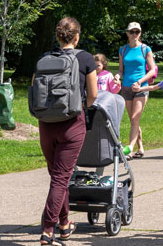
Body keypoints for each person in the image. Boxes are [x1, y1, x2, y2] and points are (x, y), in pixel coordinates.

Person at [35, 17, 98, 246]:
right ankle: (47, 230)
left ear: (57, 36)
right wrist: (85, 108)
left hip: (46, 124)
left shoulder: (44, 59)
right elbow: (92, 95)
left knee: (57, 177)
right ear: (77, 35)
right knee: (61, 179)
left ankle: (64, 225)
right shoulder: (85, 58)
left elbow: (34, 89)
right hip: (72, 122)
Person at [115, 22, 156, 159]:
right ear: (127, 33)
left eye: (137, 32)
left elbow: (152, 70)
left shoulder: (145, 49)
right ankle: (140, 147)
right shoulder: (123, 50)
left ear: (140, 33)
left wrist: (139, 82)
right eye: (131, 32)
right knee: (133, 120)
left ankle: (129, 149)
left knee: (134, 118)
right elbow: (121, 70)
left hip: (141, 87)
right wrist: (117, 76)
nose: (134, 35)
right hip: (126, 87)